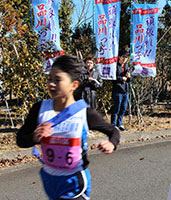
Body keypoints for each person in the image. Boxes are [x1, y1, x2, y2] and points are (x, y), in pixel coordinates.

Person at [16, 55, 120, 200]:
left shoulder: (84, 112)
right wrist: (34, 136)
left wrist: (111, 143)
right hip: (49, 179)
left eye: (57, 80)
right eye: (50, 79)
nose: (51, 84)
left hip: (74, 181)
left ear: (74, 85)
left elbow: (113, 131)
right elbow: (20, 140)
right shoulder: (39, 109)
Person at [111, 49, 130, 131]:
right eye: (123, 57)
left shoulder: (126, 66)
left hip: (125, 90)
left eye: (126, 57)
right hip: (117, 90)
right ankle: (113, 124)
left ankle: (119, 124)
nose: (124, 59)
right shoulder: (115, 66)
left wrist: (128, 77)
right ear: (119, 57)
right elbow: (113, 78)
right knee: (116, 108)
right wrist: (121, 78)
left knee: (123, 108)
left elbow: (128, 80)